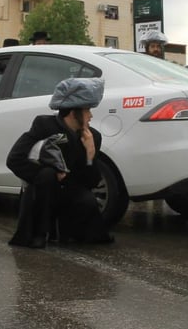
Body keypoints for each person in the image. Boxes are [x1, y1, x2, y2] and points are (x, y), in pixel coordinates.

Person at [6, 77, 113, 247]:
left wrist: (90, 155)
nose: (91, 116)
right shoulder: (43, 125)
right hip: (42, 187)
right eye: (87, 111)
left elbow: (91, 182)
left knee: (86, 199)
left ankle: (73, 234)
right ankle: (38, 234)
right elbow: (14, 159)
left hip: (71, 189)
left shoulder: (93, 136)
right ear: (73, 112)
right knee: (47, 175)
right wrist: (51, 173)